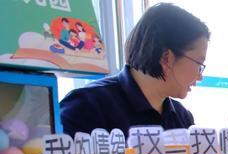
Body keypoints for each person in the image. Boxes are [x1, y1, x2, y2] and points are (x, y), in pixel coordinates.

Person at [60, 3, 209, 137]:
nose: (200, 76)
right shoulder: (86, 106)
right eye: (199, 64)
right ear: (166, 57)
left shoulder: (182, 118)